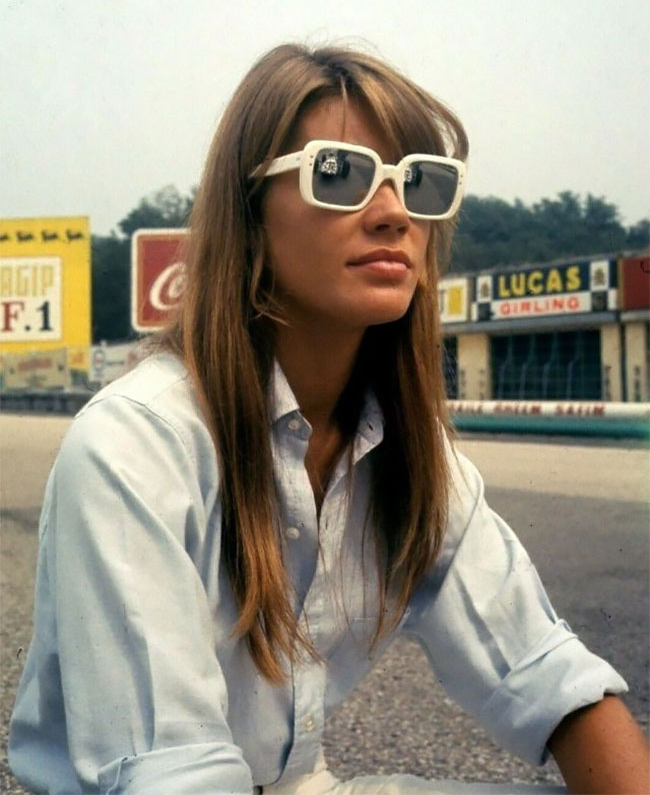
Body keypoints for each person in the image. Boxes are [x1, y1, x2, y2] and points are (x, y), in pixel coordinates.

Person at [9, 44, 649, 795]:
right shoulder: (136, 446)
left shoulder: (412, 455)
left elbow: (548, 673)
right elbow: (170, 777)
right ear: (250, 214)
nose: (393, 213)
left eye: (420, 183)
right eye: (338, 173)